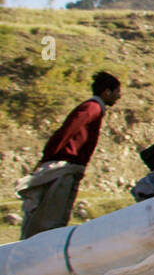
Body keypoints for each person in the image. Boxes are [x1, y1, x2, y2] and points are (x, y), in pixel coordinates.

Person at [16, 71, 121, 239]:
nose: (119, 96)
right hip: (64, 166)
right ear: (106, 92)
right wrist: (47, 157)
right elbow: (68, 131)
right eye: (117, 92)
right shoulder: (92, 108)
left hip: (68, 165)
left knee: (53, 215)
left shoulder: (94, 109)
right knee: (51, 217)